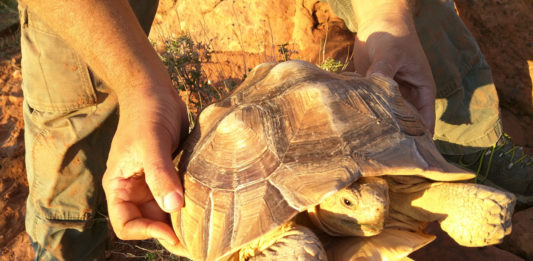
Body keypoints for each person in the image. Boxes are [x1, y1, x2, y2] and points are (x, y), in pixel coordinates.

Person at [17, 0, 531, 260]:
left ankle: (471, 143)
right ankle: (63, 236)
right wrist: (138, 87)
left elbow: (379, 193)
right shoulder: (295, 233)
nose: (371, 206)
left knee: (416, 30)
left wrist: (388, 17)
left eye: (359, 195)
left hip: (363, 130)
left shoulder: (376, 198)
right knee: (77, 111)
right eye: (350, 202)